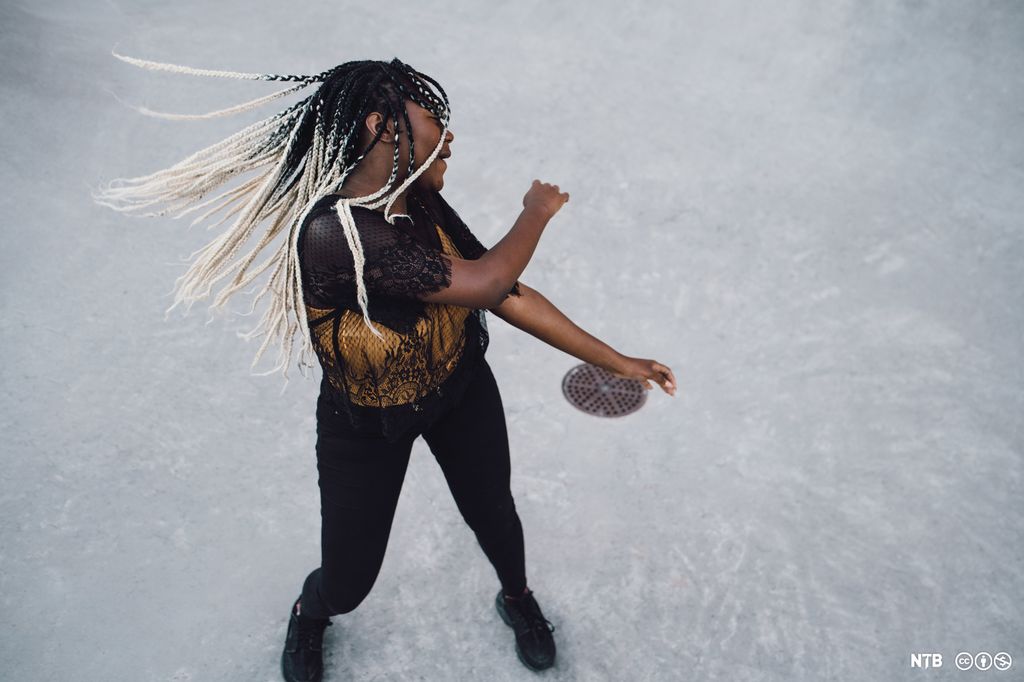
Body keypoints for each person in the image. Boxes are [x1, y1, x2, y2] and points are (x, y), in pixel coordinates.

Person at [93, 55, 677, 682]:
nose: (448, 135)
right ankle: (311, 610)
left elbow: (507, 294)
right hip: (366, 424)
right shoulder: (332, 234)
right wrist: (536, 209)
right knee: (348, 582)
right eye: (433, 118)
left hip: (459, 390)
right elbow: (488, 281)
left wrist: (618, 361)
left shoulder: (418, 199)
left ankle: (517, 597)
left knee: (496, 516)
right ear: (382, 125)